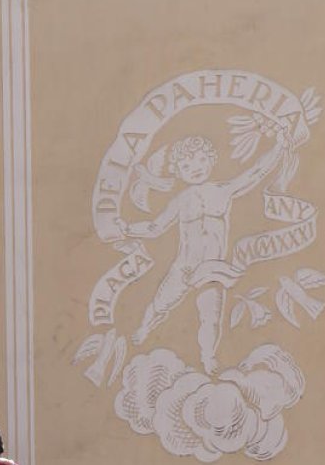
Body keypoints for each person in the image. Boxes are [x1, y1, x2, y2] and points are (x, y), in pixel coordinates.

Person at [116, 130, 288, 373]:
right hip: (184, 266)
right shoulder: (181, 200)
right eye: (186, 165)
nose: (195, 168)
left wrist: (279, 147)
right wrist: (128, 229)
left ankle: (208, 358)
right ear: (178, 171)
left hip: (213, 268)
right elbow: (156, 227)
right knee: (160, 303)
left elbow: (255, 172)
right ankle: (144, 327)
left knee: (211, 316)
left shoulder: (223, 190)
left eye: (200, 160)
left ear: (210, 160)